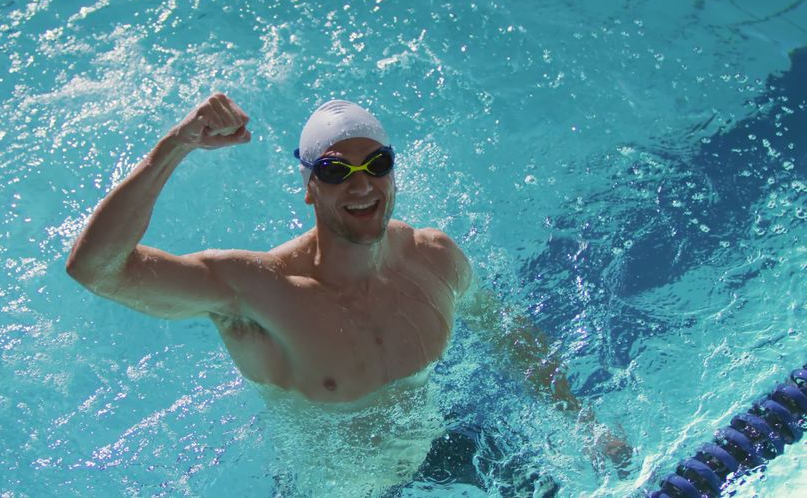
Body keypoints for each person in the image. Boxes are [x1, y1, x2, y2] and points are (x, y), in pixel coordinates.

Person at [66, 93, 630, 494]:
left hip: (435, 450)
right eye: (337, 171)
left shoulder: (433, 260)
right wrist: (177, 145)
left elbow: (505, 331)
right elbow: (98, 270)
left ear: (393, 175)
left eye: (375, 165)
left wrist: (584, 422)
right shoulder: (255, 292)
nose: (360, 185)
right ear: (309, 188)